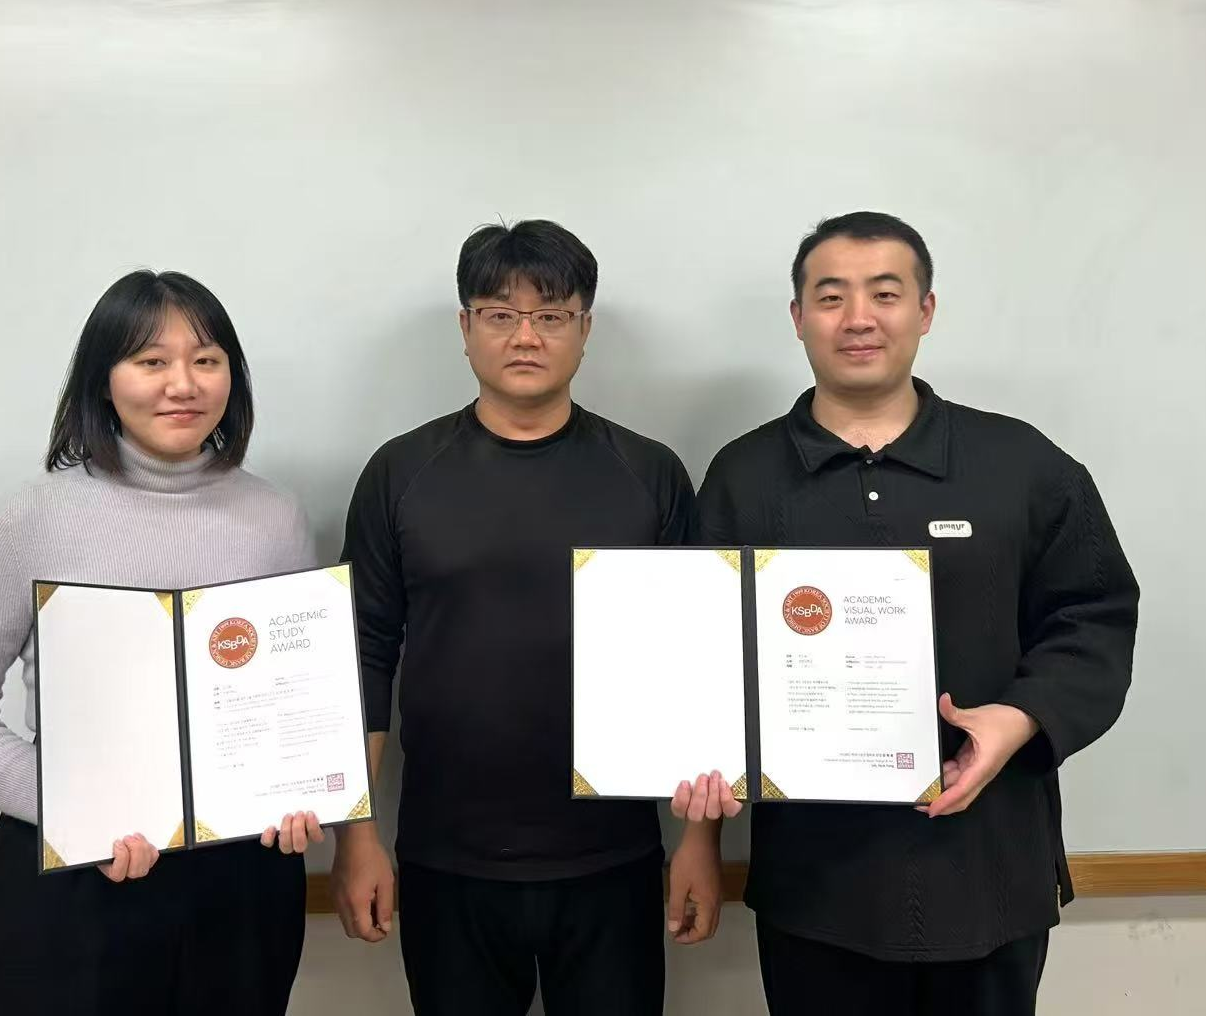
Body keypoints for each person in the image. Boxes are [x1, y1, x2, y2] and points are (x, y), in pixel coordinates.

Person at [697, 212, 1139, 1014]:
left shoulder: (1021, 464)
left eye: (885, 293)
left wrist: (1020, 718)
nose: (858, 318)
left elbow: (1095, 613)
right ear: (798, 317)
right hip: (815, 889)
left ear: (925, 310)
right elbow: (702, 663)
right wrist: (699, 829)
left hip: (991, 871)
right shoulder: (743, 477)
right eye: (831, 296)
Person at [333, 219, 737, 1016]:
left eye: (551, 315)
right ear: (465, 327)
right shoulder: (401, 473)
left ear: (585, 329)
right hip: (448, 857)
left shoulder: (648, 473)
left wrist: (700, 842)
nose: (526, 336)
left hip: (613, 855)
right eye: (500, 314)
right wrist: (356, 836)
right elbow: (365, 655)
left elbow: (700, 662)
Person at [0, 270, 323, 1014]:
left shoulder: (276, 517)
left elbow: (284, 701)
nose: (183, 384)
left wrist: (297, 792)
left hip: (240, 887)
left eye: (206, 360)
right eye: (150, 361)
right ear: (103, 380)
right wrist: (76, 816)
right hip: (75, 881)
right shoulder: (30, 517)